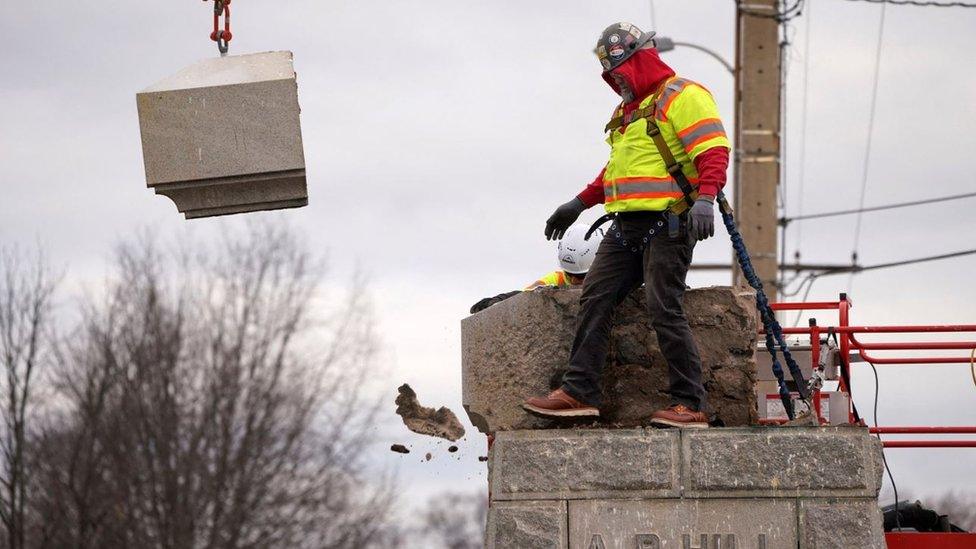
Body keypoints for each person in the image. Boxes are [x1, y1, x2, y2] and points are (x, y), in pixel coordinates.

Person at [522, 22, 731, 428]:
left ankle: (690, 404)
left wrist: (705, 197)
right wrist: (579, 203)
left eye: (617, 72)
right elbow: (617, 171)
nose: (614, 81)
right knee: (595, 296)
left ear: (637, 59)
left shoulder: (684, 96)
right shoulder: (627, 112)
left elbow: (713, 150)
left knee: (662, 306)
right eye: (610, 76)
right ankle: (578, 393)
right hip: (626, 224)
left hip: (671, 220)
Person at [470, 225, 601, 314]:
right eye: (569, 273)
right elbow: (528, 294)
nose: (573, 280)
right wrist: (501, 299)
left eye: (580, 276)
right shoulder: (558, 279)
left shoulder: (611, 279)